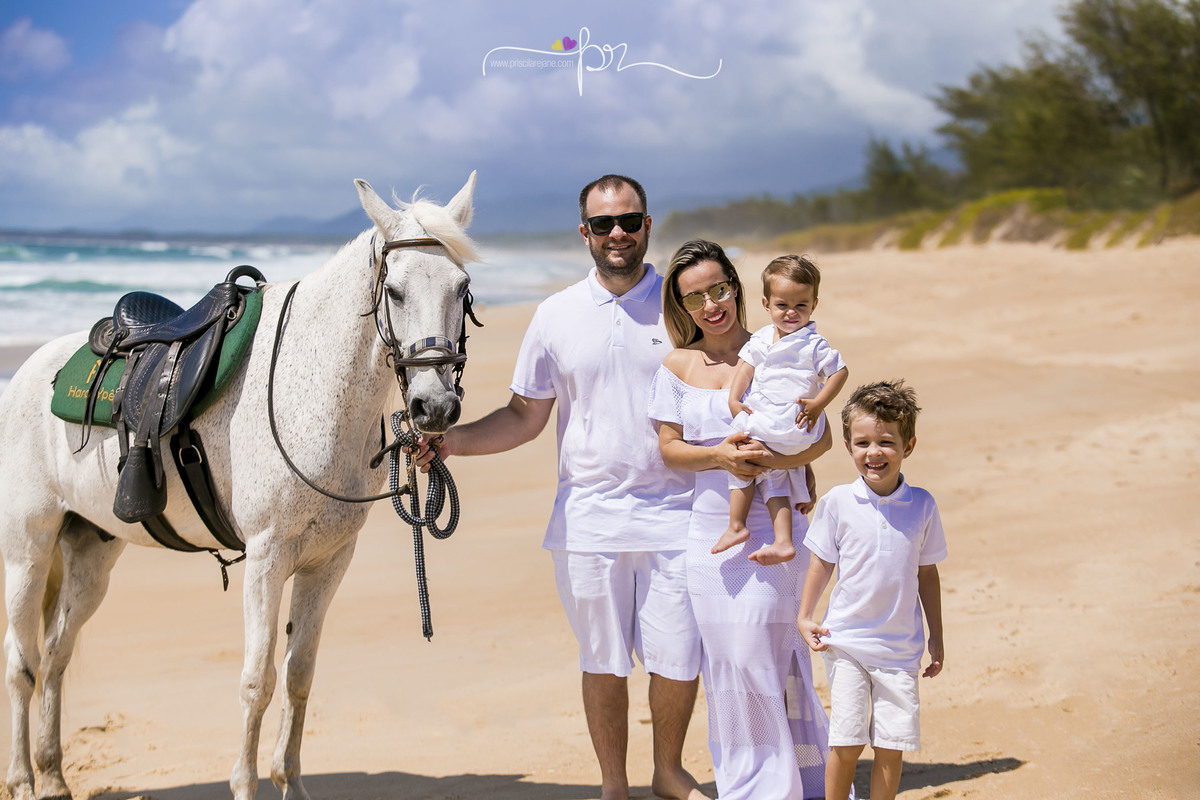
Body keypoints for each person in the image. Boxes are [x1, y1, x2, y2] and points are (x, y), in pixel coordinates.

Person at [415, 175, 708, 800]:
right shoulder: (555, 315)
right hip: (589, 520)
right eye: (604, 225)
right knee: (602, 660)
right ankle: (613, 785)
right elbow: (525, 416)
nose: (618, 234)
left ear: (649, 225)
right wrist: (450, 443)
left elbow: (732, 383)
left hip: (681, 512)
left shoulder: (683, 306)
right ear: (586, 234)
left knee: (678, 656)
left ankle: (668, 772)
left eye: (629, 221)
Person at [649, 239, 837, 800]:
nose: (711, 304)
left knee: (775, 659)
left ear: (736, 286)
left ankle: (790, 782)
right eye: (695, 297)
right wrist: (721, 457)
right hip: (712, 535)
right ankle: (756, 783)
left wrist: (782, 463)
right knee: (734, 663)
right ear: (680, 308)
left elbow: (822, 436)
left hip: (780, 531)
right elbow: (668, 449)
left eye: (718, 288)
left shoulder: (783, 348)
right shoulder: (677, 366)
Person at [796, 380, 947, 800]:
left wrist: (937, 635)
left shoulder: (923, 505)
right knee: (845, 741)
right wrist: (806, 615)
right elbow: (821, 562)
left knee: (891, 745)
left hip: (900, 651)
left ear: (908, 445)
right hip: (846, 641)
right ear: (848, 446)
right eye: (862, 442)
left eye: (886, 442)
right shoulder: (838, 502)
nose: (874, 452)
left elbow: (927, 574)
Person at [714, 255, 848, 565]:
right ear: (766, 303)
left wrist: (818, 404)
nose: (791, 313)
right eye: (782, 305)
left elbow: (840, 373)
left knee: (741, 449)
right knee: (775, 475)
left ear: (813, 304)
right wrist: (735, 399)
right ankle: (783, 540)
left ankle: (736, 524)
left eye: (801, 305)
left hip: (792, 419)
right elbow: (745, 369)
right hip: (777, 421)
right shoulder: (762, 337)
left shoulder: (814, 344)